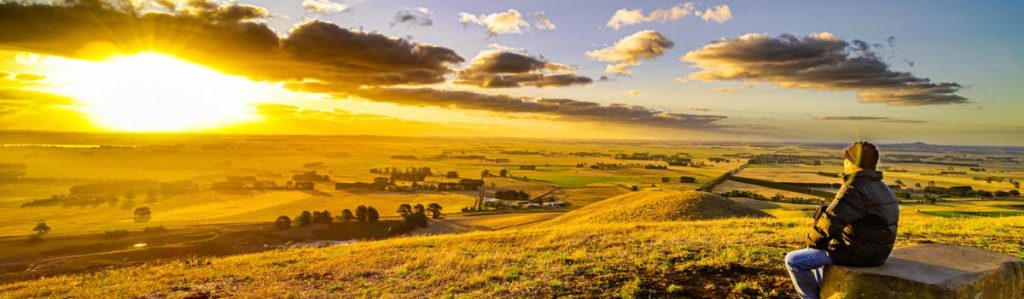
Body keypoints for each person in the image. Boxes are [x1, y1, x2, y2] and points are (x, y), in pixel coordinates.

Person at [784, 142, 900, 299]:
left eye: (846, 159)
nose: (844, 163)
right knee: (820, 248)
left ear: (852, 162)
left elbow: (830, 222)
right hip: (876, 251)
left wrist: (811, 241)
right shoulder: (880, 186)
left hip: (861, 254)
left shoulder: (855, 187)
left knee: (794, 260)